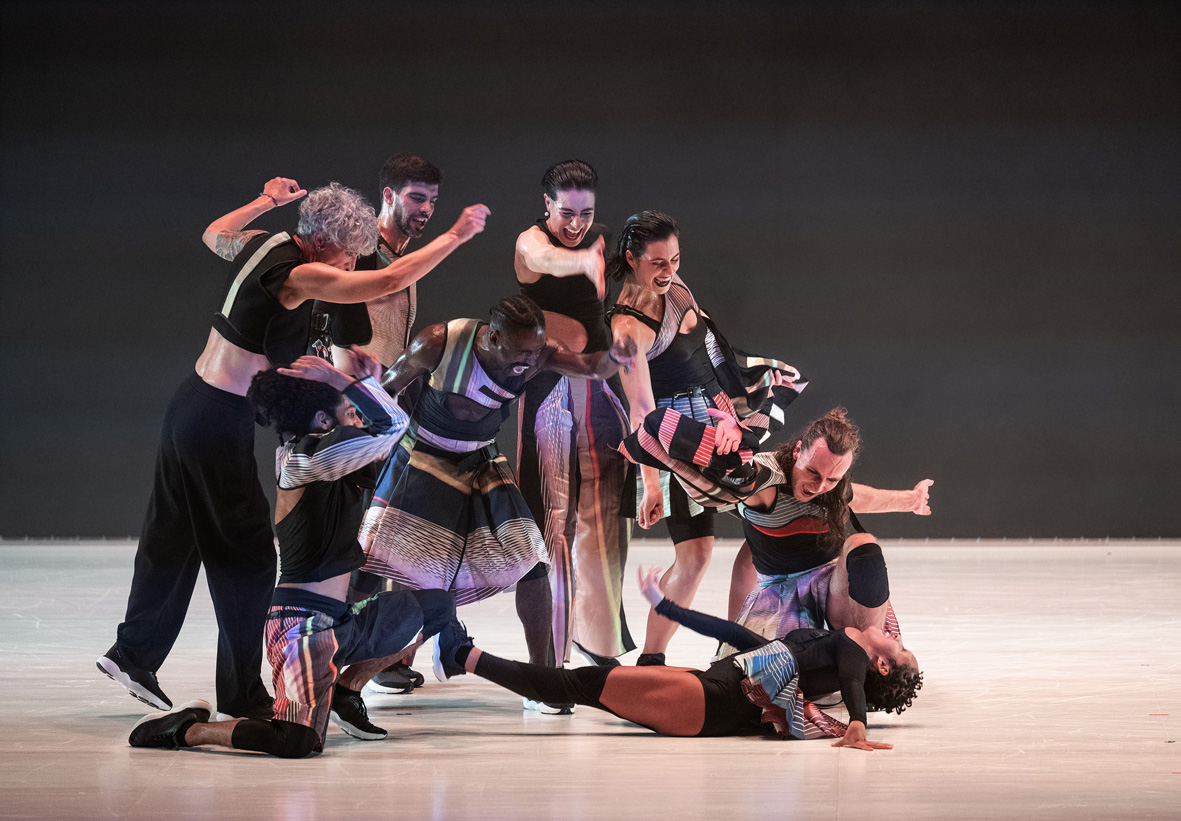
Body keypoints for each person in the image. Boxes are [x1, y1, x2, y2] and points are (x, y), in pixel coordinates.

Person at [97, 177, 488, 719]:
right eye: (349, 256)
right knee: (252, 560)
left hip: (191, 406)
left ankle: (133, 653)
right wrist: (457, 235)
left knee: (175, 534)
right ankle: (241, 695)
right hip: (217, 420)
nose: (350, 267)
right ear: (324, 243)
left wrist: (267, 201)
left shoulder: (264, 242)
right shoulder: (299, 273)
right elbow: (388, 279)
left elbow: (216, 233)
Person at [126, 354, 456, 756]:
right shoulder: (305, 460)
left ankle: (346, 692)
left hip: (342, 623)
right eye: (348, 411)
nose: (356, 416)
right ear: (322, 422)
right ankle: (185, 730)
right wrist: (342, 378)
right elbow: (390, 426)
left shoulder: (327, 456)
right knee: (297, 741)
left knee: (436, 606)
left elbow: (383, 429)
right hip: (302, 630)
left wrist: (369, 383)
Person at [351, 295, 637, 714]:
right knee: (372, 563)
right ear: (494, 335)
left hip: (480, 461)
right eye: (521, 351)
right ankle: (348, 665)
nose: (528, 361)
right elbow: (384, 392)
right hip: (423, 457)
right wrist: (364, 448)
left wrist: (617, 355)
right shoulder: (438, 343)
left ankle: (542, 681)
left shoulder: (538, 355)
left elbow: (593, 368)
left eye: (535, 350)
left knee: (533, 561)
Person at [606, 210, 805, 666]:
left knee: (762, 523)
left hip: (721, 424)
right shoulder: (626, 331)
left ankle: (738, 650)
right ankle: (652, 660)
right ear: (632, 258)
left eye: (675, 259)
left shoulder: (676, 288)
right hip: (679, 442)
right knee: (695, 555)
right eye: (657, 262)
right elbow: (642, 414)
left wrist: (737, 409)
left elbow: (710, 349)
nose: (669, 271)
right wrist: (652, 484)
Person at [431, 566, 920, 749]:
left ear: (882, 664)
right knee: (586, 685)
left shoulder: (851, 653)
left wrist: (858, 721)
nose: (894, 635)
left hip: (714, 700)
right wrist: (669, 609)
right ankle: (459, 656)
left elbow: (853, 681)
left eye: (898, 647)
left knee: (581, 684)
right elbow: (738, 635)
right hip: (714, 689)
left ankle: (461, 655)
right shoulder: (819, 652)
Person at [514, 160, 634, 669]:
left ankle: (599, 646)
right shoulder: (530, 242)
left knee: (605, 520)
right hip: (546, 389)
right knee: (547, 522)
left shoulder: (602, 241)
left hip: (600, 386)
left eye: (586, 214)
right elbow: (547, 258)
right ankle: (546, 664)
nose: (576, 224)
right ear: (547, 205)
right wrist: (584, 262)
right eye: (566, 213)